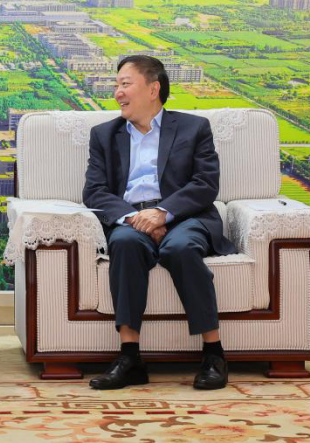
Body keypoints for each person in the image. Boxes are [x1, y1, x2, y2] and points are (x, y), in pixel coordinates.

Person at [82, 55, 236, 391]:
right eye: (117, 85)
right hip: (130, 217)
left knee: (181, 248)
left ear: (153, 89)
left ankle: (213, 354)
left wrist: (164, 213)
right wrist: (137, 218)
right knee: (124, 243)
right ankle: (130, 358)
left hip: (185, 216)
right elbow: (94, 192)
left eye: (125, 84)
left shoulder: (194, 128)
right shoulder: (104, 135)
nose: (117, 92)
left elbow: (205, 184)